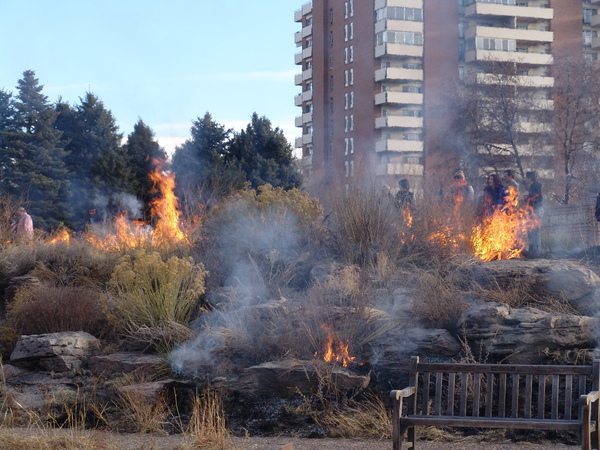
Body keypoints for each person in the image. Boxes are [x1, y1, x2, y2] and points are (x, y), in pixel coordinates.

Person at [524, 171, 543, 255]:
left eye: (526, 177)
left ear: (529, 178)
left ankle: (537, 251)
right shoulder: (533, 186)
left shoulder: (535, 186)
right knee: (532, 230)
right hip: (534, 210)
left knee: (535, 231)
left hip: (536, 211)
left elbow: (537, 197)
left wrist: (528, 199)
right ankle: (533, 250)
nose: (525, 179)